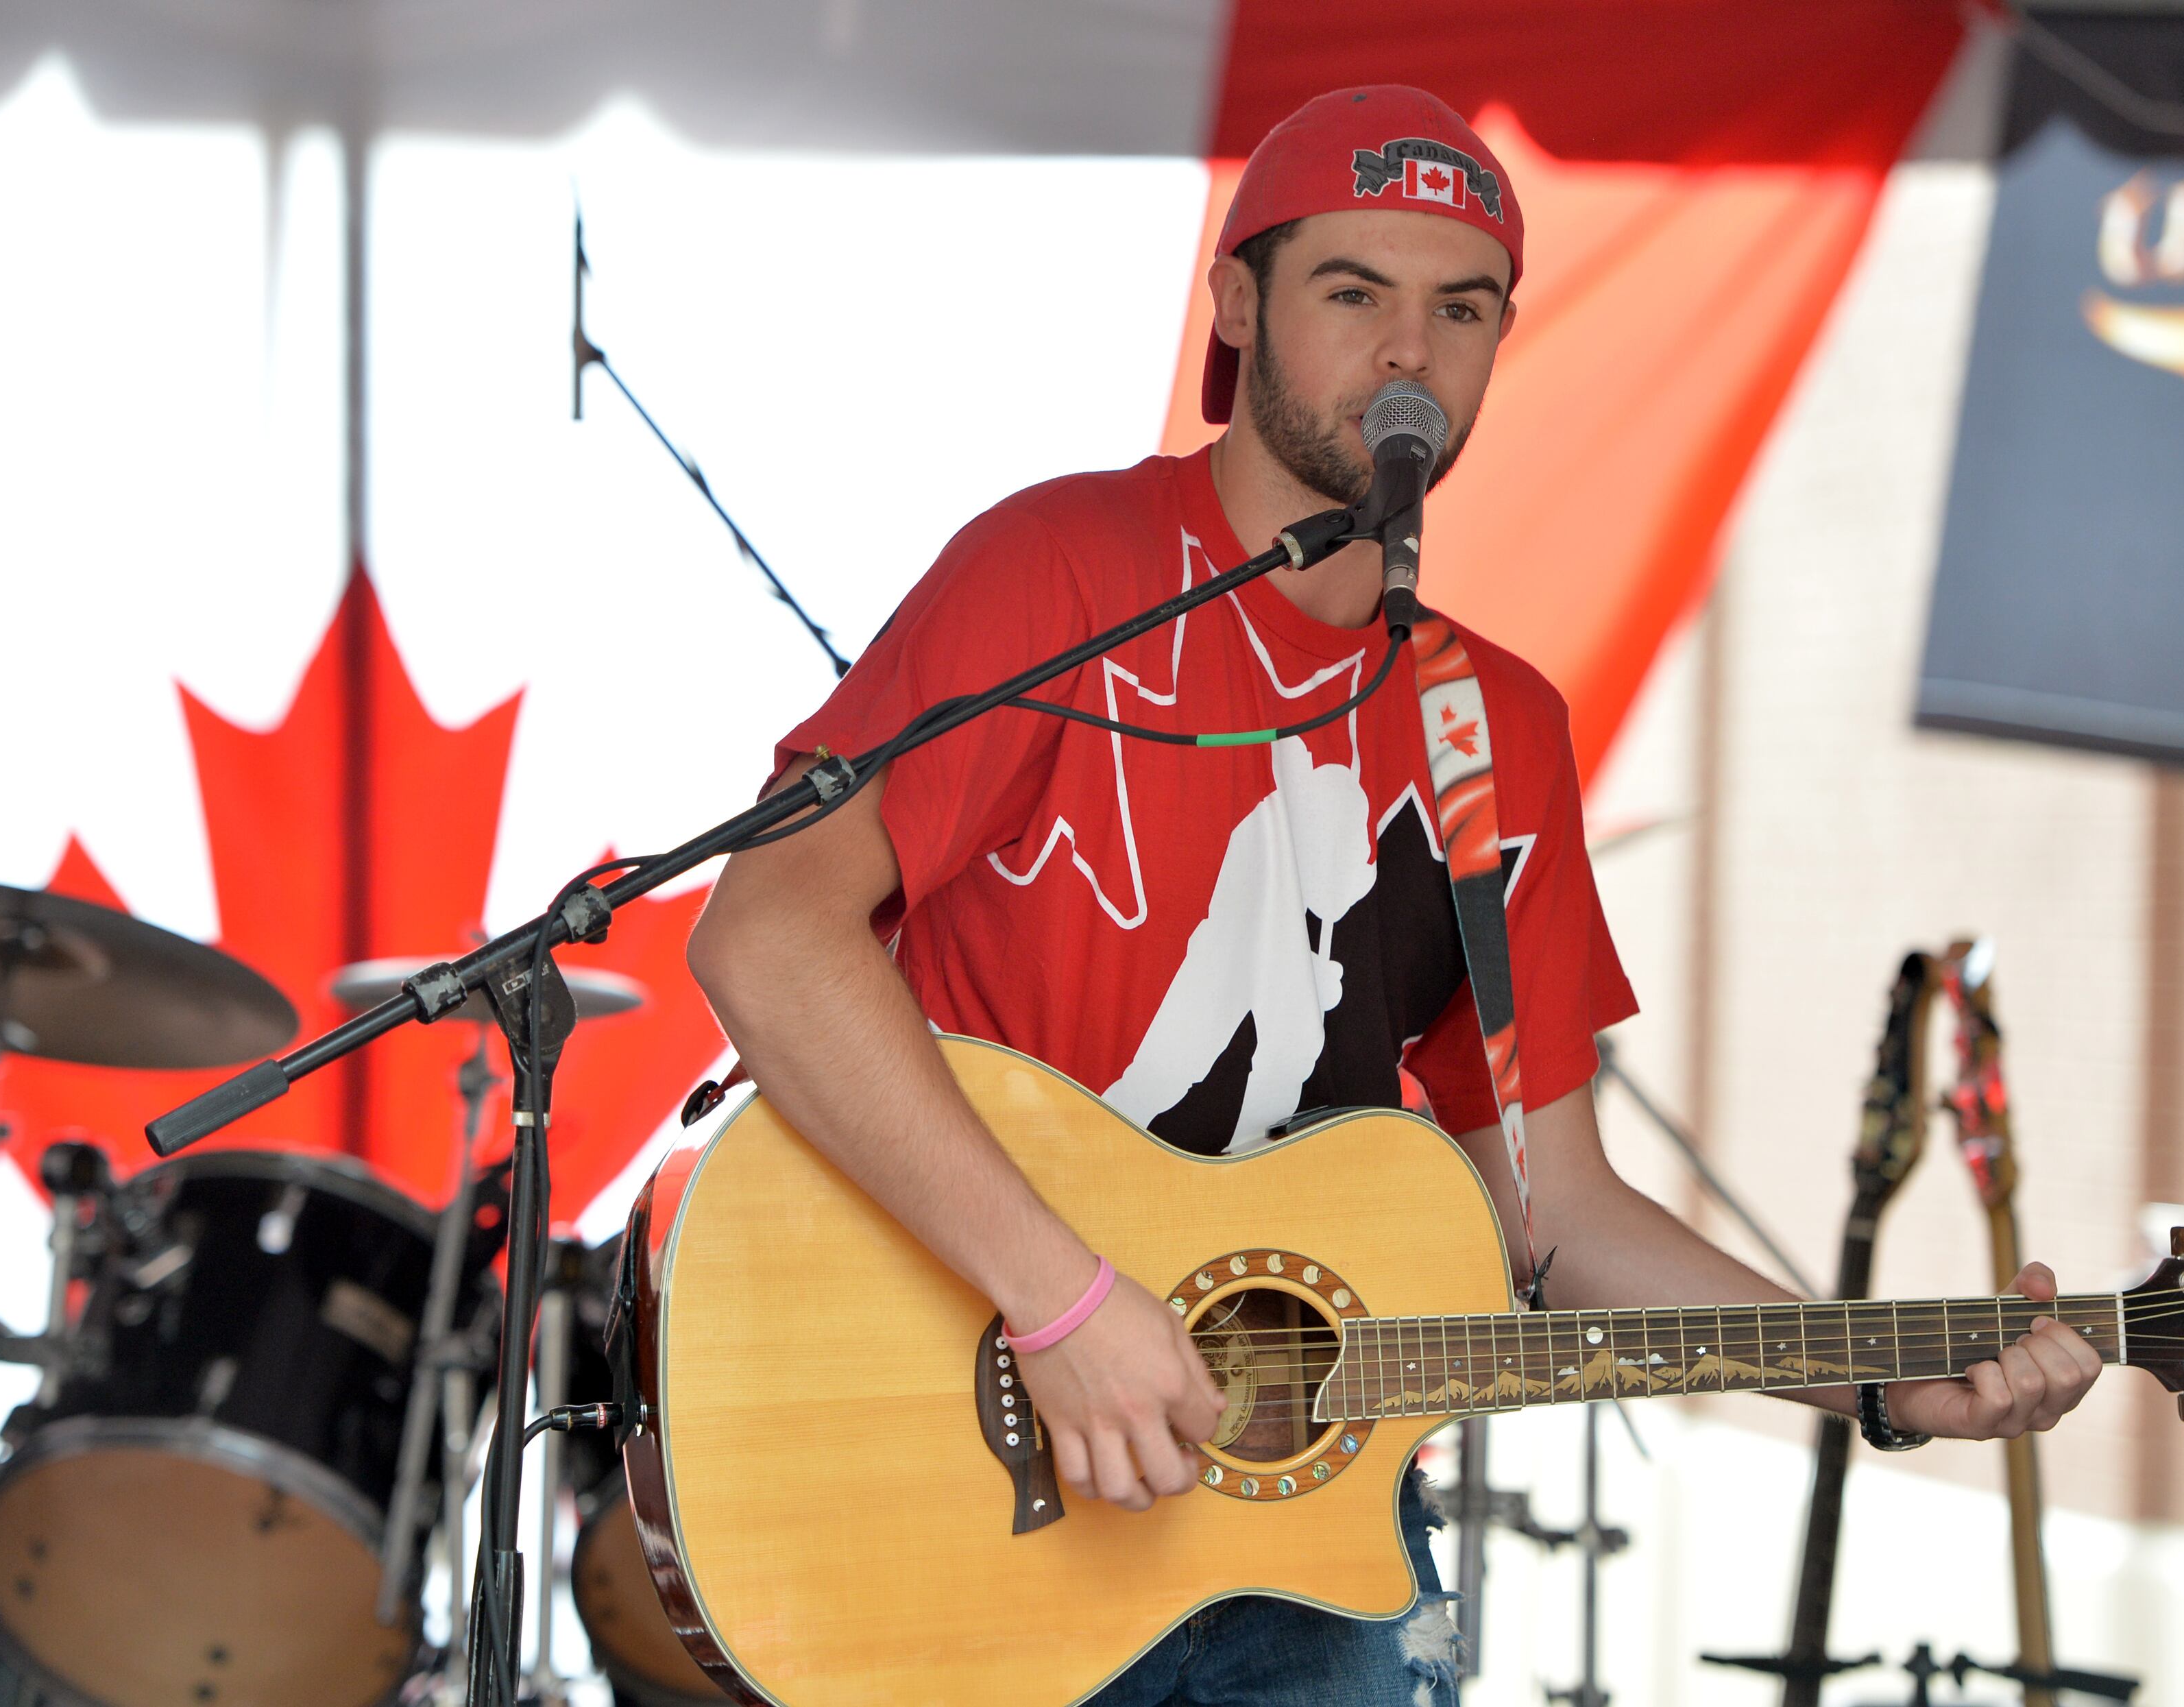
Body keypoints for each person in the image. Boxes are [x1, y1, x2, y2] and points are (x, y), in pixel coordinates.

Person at [686, 84, 2103, 1707]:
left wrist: (1870, 1373)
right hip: (972, 1480)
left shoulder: (1493, 728)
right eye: (1354, 292)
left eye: (1462, 307)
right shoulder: (1054, 575)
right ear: (1237, 308)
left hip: (1314, 1523)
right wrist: (1064, 1297)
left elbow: (1554, 1217)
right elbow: (768, 935)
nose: (1409, 352)